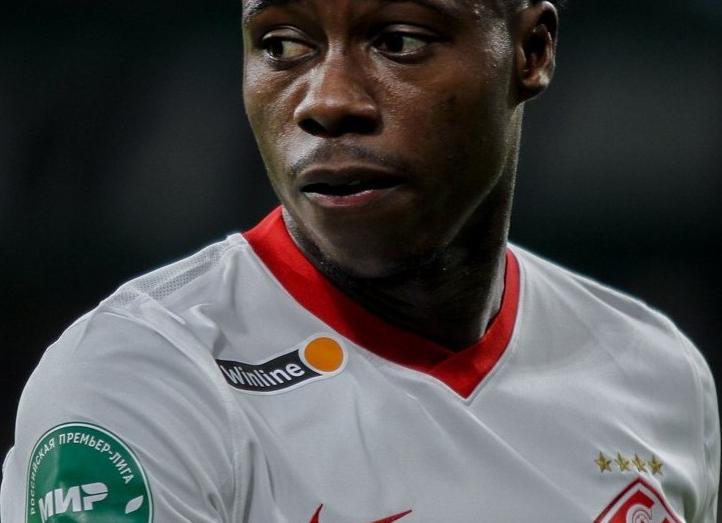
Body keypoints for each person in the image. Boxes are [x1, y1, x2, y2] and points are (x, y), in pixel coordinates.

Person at [2, 0, 718, 520]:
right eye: (282, 44)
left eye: (399, 41)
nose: (328, 100)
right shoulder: (142, 384)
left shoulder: (656, 374)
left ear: (531, 51)